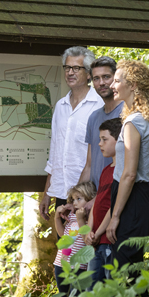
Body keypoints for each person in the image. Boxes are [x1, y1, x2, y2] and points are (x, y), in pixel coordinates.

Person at [106, 60, 149, 270]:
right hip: (139, 198)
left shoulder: (133, 123)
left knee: (122, 267)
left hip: (133, 199)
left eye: (117, 80)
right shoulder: (146, 120)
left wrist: (115, 216)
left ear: (133, 85)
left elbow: (129, 174)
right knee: (132, 268)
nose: (112, 85)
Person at [39, 47, 103, 221]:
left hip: (88, 195)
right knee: (65, 247)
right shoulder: (60, 106)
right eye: (67, 68)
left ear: (89, 74)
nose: (70, 72)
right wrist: (47, 193)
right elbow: (54, 153)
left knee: (86, 246)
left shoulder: (99, 105)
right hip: (62, 193)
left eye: (76, 68)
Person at [83, 118, 121, 288]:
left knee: (109, 287)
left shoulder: (121, 171)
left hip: (107, 240)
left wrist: (98, 233)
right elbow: (97, 203)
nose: (99, 144)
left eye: (104, 139)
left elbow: (113, 207)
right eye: (99, 139)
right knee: (90, 287)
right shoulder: (106, 170)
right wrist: (89, 231)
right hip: (96, 240)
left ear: (119, 140)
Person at [79, 56, 124, 189]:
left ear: (116, 79)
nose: (101, 83)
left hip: (116, 195)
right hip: (95, 197)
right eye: (96, 78)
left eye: (106, 77)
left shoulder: (128, 114)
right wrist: (76, 197)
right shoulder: (93, 117)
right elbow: (89, 164)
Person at [52, 181, 97, 296]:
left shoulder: (91, 218)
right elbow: (63, 235)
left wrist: (81, 219)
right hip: (60, 263)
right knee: (63, 295)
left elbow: (87, 240)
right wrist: (57, 217)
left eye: (79, 199)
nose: (74, 203)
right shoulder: (72, 215)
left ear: (90, 199)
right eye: (73, 199)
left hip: (78, 266)